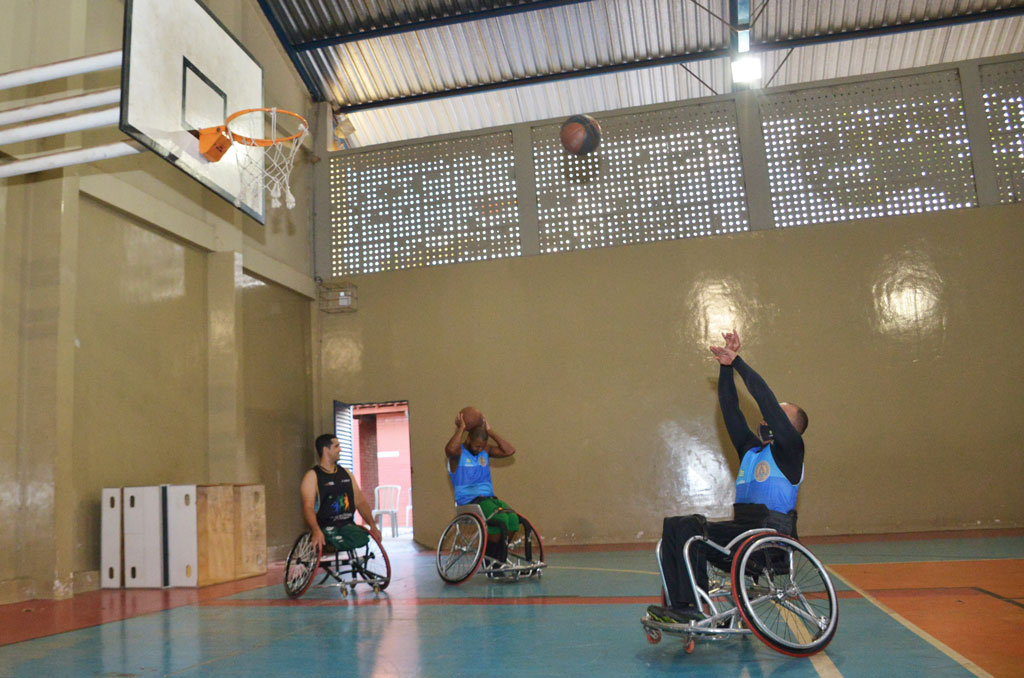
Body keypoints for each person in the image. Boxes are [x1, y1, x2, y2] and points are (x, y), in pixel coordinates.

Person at [648, 330, 809, 624]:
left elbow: (766, 401)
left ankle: (688, 608)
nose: (765, 419)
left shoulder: (790, 451)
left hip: (768, 541)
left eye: (776, 416)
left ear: (791, 428)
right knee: (678, 526)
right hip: (740, 533)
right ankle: (683, 605)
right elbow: (730, 409)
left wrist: (739, 363)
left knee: (691, 529)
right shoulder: (751, 451)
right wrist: (724, 368)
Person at [444, 411, 518, 563]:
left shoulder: (485, 451)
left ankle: (497, 555)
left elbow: (509, 451)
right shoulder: (458, 455)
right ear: (468, 439)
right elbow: (450, 450)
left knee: (513, 519)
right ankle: (491, 560)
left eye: (482, 446)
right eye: (477, 445)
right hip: (470, 502)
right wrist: (461, 428)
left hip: (489, 499)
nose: (479, 449)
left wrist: (490, 432)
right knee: (501, 518)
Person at [301, 433, 382, 552]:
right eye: (336, 446)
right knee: (335, 541)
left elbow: (360, 501)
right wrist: (316, 530)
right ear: (326, 449)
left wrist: (372, 525)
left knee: (362, 538)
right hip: (325, 526)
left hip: (346, 524)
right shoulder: (312, 476)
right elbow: (308, 507)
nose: (340, 449)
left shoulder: (346, 474)